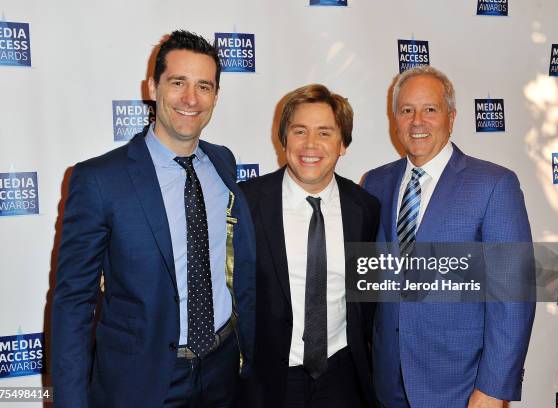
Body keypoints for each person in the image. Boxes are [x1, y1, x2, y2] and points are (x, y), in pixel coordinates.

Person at [51, 30, 256, 408]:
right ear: (152, 87)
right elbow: (73, 303)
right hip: (142, 381)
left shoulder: (222, 162)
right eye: (178, 82)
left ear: (215, 96)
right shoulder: (98, 181)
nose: (191, 99)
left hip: (222, 370)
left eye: (204, 86)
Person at [363, 66, 535, 408]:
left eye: (430, 109)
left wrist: (494, 388)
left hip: (460, 386)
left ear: (452, 117)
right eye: (406, 110)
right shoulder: (375, 183)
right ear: (394, 118)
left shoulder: (493, 185)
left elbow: (513, 295)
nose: (417, 121)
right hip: (386, 384)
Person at [239, 84, 380, 407]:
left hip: (343, 378)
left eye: (325, 133)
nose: (310, 145)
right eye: (299, 131)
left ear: (343, 143)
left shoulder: (365, 208)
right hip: (267, 382)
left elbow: (368, 299)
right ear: (283, 138)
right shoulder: (246, 204)